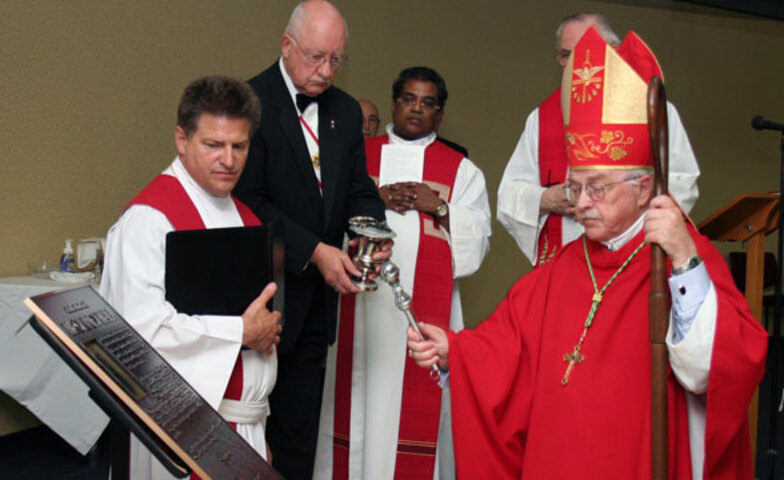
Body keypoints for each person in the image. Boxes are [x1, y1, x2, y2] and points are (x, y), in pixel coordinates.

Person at [408, 28, 767, 479]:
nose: (580, 204)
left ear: (644, 189)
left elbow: (715, 371)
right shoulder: (564, 265)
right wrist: (454, 351)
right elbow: (504, 349)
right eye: (575, 188)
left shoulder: (678, 257)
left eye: (596, 189)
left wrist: (684, 261)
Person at [232, 2, 389, 478]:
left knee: (300, 436)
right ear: (287, 45)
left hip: (317, 305)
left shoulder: (343, 109)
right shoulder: (250, 103)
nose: (325, 71)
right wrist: (315, 252)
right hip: (263, 296)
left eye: (336, 60)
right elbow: (248, 201)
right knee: (252, 434)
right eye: (316, 57)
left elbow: (359, 188)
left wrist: (371, 233)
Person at [99, 76, 282, 479]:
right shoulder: (149, 220)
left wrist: (256, 425)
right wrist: (240, 332)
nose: (229, 160)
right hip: (181, 434)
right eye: (213, 145)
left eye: (240, 146)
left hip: (243, 425)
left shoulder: (244, 216)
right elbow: (137, 337)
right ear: (182, 139)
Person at [314, 66, 491, 480]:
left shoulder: (461, 170)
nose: (417, 109)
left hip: (421, 323)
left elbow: (478, 243)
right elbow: (324, 219)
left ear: (440, 114)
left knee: (418, 415)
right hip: (360, 312)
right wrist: (373, 196)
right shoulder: (359, 153)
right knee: (353, 401)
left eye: (428, 103)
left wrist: (440, 206)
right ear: (394, 102)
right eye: (409, 99)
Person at [497, 13, 700, 267]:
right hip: (566, 262)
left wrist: (626, 205)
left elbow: (682, 182)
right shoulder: (542, 118)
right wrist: (545, 199)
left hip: (634, 256)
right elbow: (508, 194)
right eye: (565, 54)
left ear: (612, 52)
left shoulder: (652, 108)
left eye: (582, 51)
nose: (573, 63)